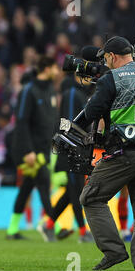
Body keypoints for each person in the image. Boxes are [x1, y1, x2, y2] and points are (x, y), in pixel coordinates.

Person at [74, 36, 135, 271]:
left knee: (91, 197)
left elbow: (93, 111)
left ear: (113, 57)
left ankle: (114, 251)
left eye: (106, 58)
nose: (105, 63)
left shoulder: (111, 78)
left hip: (123, 150)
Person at [6, 55, 59, 242]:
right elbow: (21, 122)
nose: (58, 71)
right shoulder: (29, 91)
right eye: (55, 67)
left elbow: (51, 120)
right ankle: (53, 225)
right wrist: (27, 150)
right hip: (30, 151)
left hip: (44, 149)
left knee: (27, 188)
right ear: (47, 68)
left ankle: (12, 230)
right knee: (44, 183)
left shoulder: (50, 90)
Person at [50, 73, 94, 243]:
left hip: (76, 147)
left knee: (71, 192)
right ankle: (83, 232)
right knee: (76, 191)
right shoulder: (73, 94)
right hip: (73, 148)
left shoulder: (75, 94)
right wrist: (71, 142)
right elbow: (68, 121)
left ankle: (48, 224)